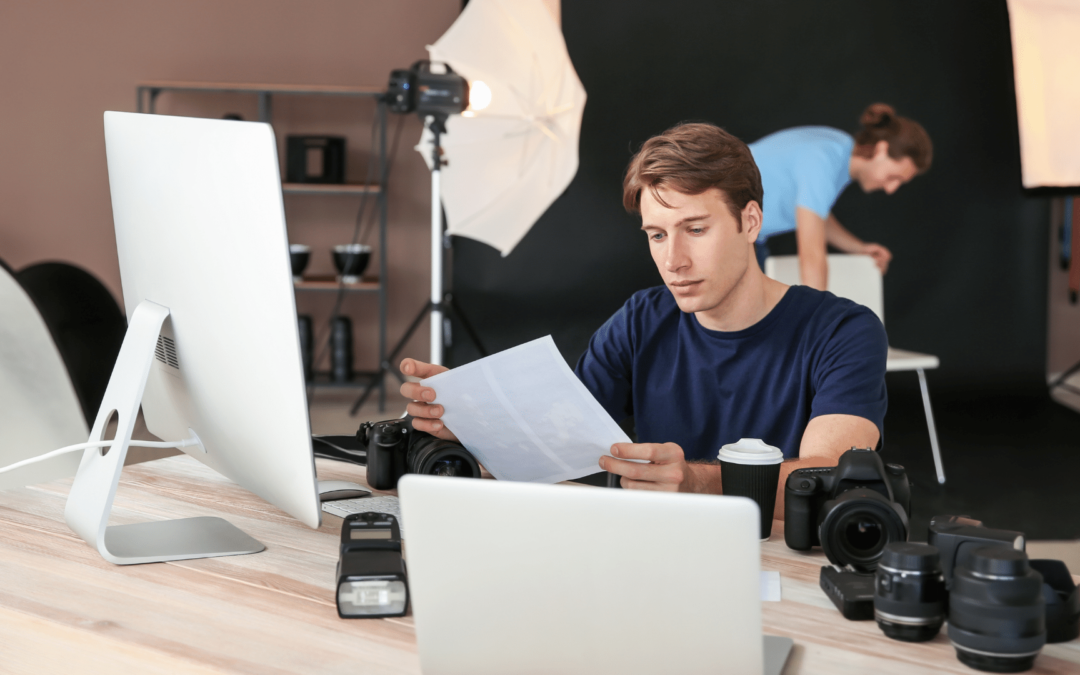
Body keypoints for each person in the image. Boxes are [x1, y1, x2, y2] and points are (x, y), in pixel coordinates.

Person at [399, 122, 888, 518]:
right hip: (652, 553)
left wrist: (695, 481)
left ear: (751, 222)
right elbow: (559, 436)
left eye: (695, 229)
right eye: (657, 235)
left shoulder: (843, 332)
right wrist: (473, 416)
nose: (673, 260)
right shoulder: (642, 319)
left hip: (781, 562)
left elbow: (828, 477)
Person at [750, 104, 933, 289]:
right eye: (894, 177)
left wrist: (858, 248)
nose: (891, 189)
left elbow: (815, 213)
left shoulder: (840, 149)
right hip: (729, 228)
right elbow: (811, 256)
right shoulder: (824, 162)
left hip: (748, 237)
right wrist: (820, 314)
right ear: (881, 150)